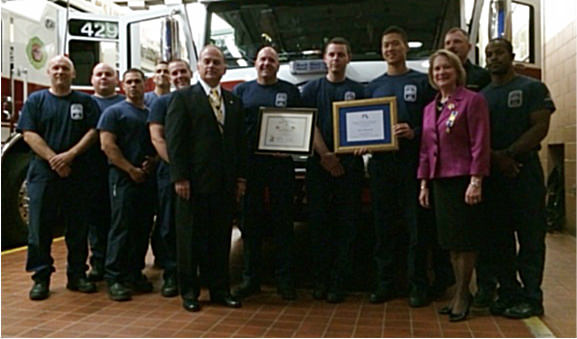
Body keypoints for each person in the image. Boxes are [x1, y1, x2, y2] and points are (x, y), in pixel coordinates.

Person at [166, 45, 247, 312]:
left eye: (217, 62)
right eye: (206, 62)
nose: (211, 66)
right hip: (192, 184)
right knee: (190, 240)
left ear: (224, 69)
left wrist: (239, 179)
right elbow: (176, 142)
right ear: (198, 67)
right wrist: (180, 177)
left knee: (220, 239)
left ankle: (220, 290)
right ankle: (189, 292)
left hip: (224, 185)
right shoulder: (183, 98)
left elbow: (238, 144)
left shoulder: (233, 101)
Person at [482, 38, 555, 319]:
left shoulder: (532, 88)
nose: (493, 58)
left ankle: (532, 297)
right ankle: (509, 292)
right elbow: (476, 137)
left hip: (525, 172)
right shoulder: (483, 96)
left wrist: (509, 154)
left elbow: (540, 126)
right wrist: (497, 159)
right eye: (489, 54)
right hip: (495, 174)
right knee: (499, 239)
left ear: (511, 55)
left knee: (530, 237)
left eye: (499, 52)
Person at [17, 55, 99, 300]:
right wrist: (55, 159)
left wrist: (70, 155)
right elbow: (29, 134)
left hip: (78, 173)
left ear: (73, 74)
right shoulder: (36, 101)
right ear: (48, 73)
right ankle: (41, 278)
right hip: (44, 175)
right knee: (40, 227)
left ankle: (77, 275)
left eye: (65, 68)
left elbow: (94, 131)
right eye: (56, 68)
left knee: (78, 227)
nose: (60, 72)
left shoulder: (85, 102)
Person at [418, 49, 491, 322]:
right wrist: (423, 183)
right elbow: (426, 149)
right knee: (450, 242)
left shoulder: (472, 101)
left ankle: (462, 294)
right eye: (436, 69)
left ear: (457, 71)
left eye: (446, 68)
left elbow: (480, 143)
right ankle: (460, 292)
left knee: (465, 241)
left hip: (463, 180)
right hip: (439, 182)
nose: (441, 73)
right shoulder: (429, 108)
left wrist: (476, 180)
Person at [365, 26, 436, 307]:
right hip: (381, 167)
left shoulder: (422, 83)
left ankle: (417, 285)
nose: (390, 49)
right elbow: (365, 124)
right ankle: (385, 284)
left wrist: (414, 132)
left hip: (412, 165)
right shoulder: (372, 86)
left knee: (416, 229)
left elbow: (435, 124)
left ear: (406, 47)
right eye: (385, 45)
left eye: (395, 44)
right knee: (383, 229)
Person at [232, 46, 300, 301]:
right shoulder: (241, 91)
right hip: (251, 167)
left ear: (278, 64)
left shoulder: (289, 91)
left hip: (281, 165)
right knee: (251, 224)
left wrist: (292, 147)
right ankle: (251, 279)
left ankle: (285, 280)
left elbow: (300, 125)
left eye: (271, 60)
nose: (266, 63)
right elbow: (235, 130)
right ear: (255, 62)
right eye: (262, 59)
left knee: (284, 222)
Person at [301, 37, 365, 303]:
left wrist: (354, 151)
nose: (336, 59)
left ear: (348, 58)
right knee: (318, 225)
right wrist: (326, 156)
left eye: (341, 54)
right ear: (324, 59)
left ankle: (340, 282)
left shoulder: (360, 90)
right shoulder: (311, 89)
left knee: (347, 226)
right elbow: (309, 123)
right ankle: (320, 280)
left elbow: (366, 124)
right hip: (318, 167)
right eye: (332, 54)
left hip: (350, 167)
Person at [98, 68, 157, 301]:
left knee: (142, 227)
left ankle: (134, 272)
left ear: (146, 85)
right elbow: (107, 146)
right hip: (122, 179)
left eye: (138, 81)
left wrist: (151, 162)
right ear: (123, 86)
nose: (133, 85)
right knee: (121, 227)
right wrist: (130, 169)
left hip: (146, 180)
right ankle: (114, 277)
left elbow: (156, 143)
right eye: (129, 82)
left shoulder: (151, 114)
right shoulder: (113, 113)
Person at [147, 59, 193, 297]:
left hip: (200, 175)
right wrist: (178, 169)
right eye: (174, 73)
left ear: (190, 73)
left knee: (198, 224)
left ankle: (196, 273)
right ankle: (172, 276)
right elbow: (157, 138)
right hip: (170, 175)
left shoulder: (202, 99)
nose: (178, 76)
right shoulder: (161, 103)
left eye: (182, 71)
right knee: (169, 226)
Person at [86, 63, 125, 282]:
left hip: (120, 171)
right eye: (98, 74)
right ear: (91, 79)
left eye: (108, 74)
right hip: (92, 171)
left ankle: (118, 263)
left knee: (119, 220)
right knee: (96, 219)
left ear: (116, 79)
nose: (103, 78)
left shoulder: (124, 103)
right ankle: (98, 264)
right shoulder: (85, 103)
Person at [444, 27, 491, 92]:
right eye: (447, 43)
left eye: (457, 42)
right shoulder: (438, 76)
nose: (451, 46)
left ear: (469, 47)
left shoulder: (482, 76)